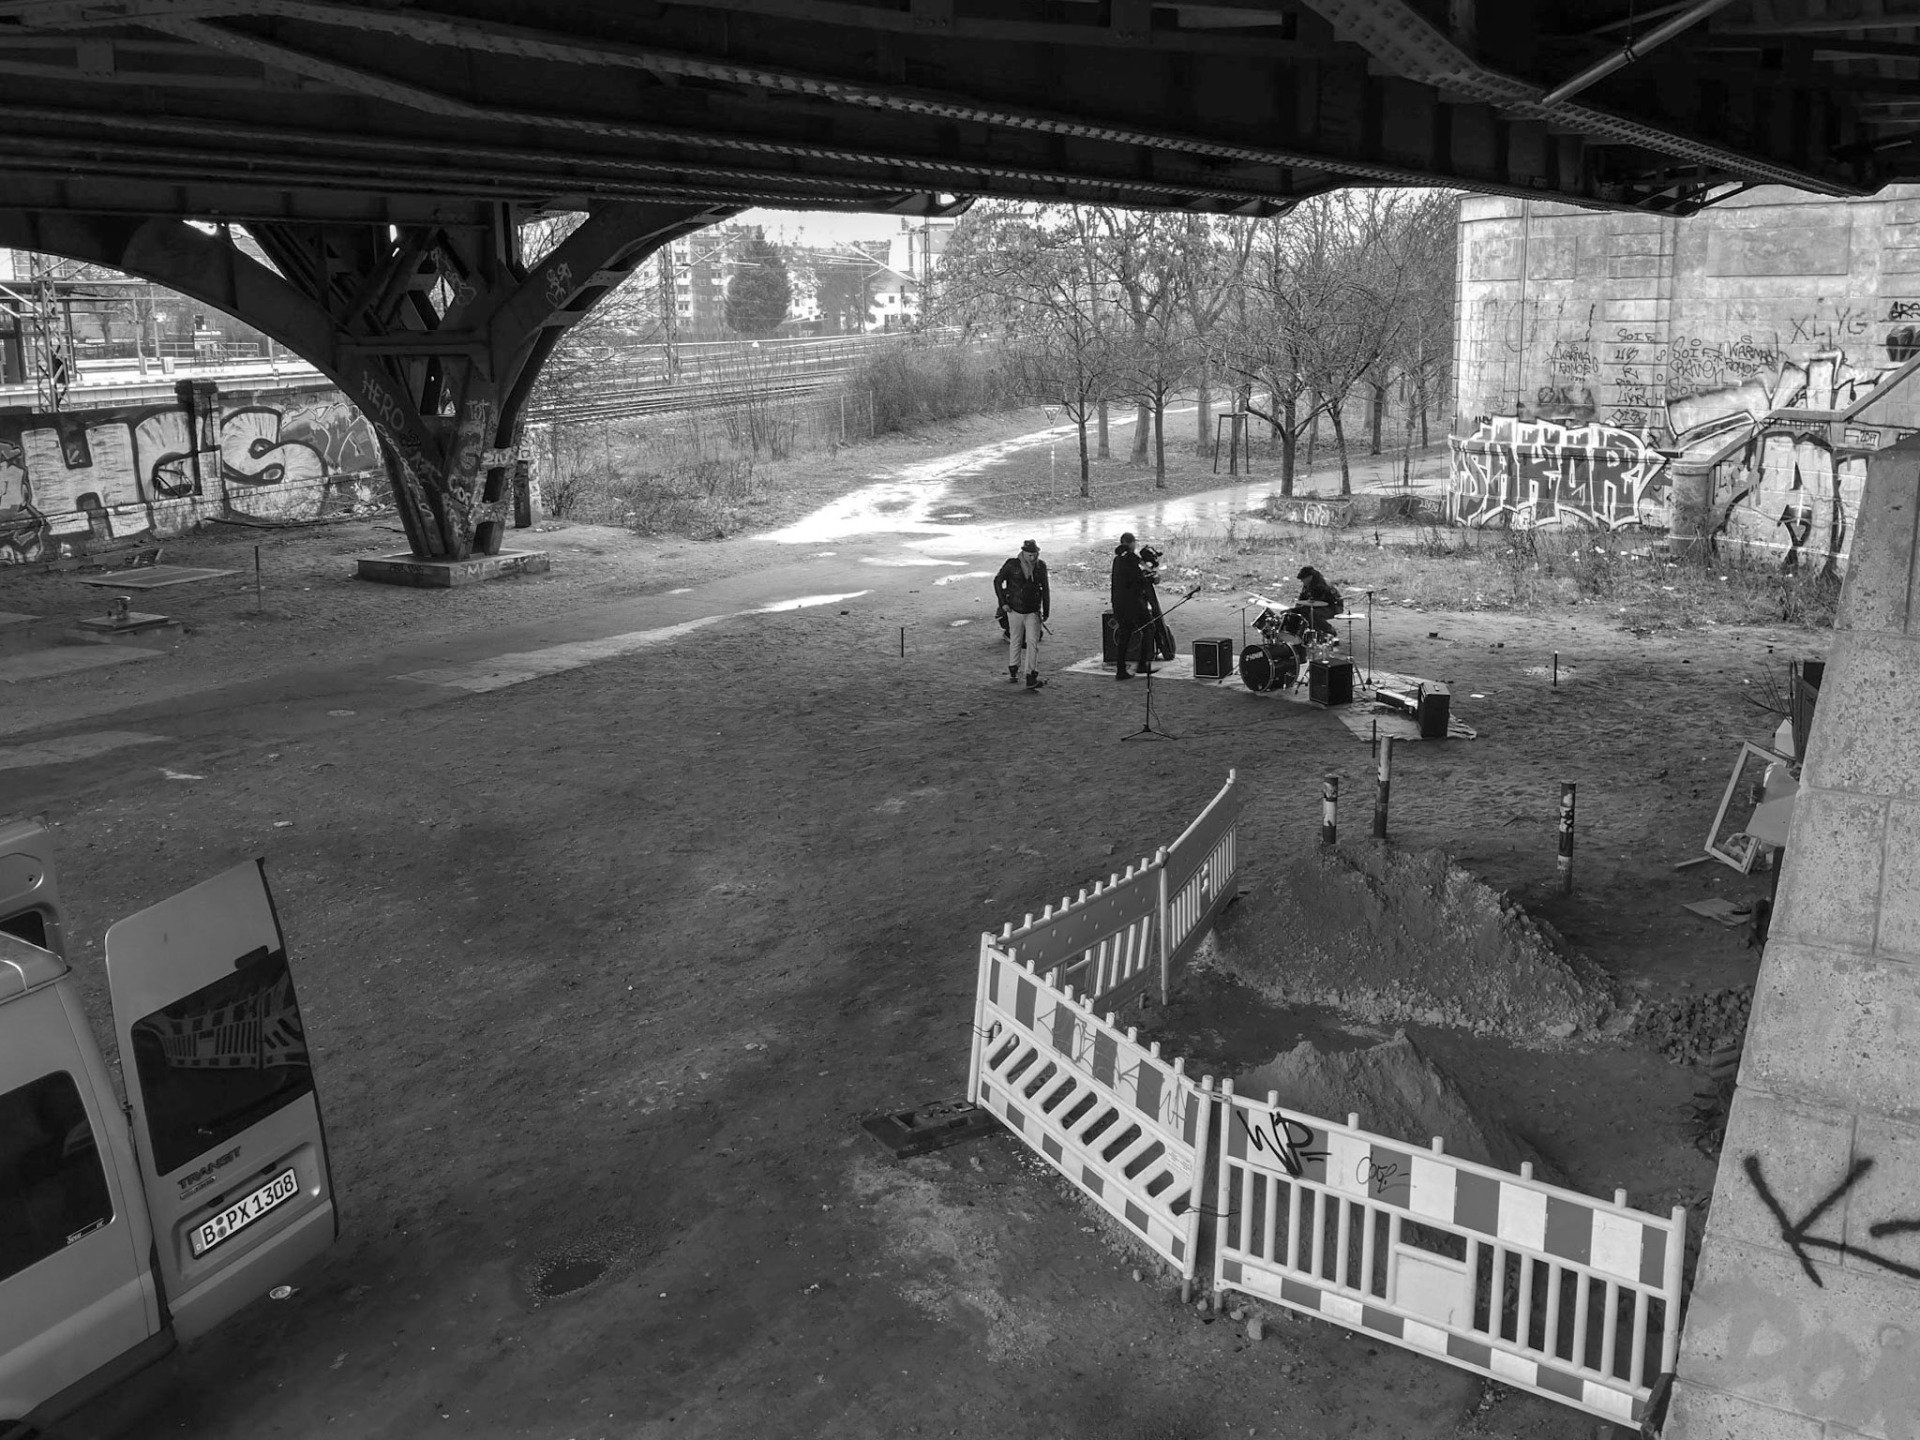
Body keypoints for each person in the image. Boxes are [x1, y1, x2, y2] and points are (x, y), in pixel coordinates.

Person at [994, 539, 1049, 689]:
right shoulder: (1012, 564)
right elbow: (997, 581)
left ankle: (1029, 674)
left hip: (1030, 610)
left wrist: (1046, 610)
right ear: (1023, 553)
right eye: (1030, 555)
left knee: (1030, 642)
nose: (1032, 558)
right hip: (1015, 609)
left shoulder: (1039, 566)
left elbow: (1045, 588)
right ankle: (1014, 669)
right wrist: (1003, 603)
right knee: (1017, 640)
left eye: (1034, 554)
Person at [1109, 532, 1156, 681]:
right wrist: (1150, 575)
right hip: (1132, 603)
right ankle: (1142, 664)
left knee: (1124, 635)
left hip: (1118, 603)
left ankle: (1120, 669)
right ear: (1132, 543)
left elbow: (1139, 564)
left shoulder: (1118, 560)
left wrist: (1146, 568)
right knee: (1149, 628)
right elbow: (1138, 579)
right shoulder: (1129, 560)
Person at [1289, 565, 1343, 640]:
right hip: (1321, 605)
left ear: (1310, 577)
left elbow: (1314, 604)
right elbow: (1302, 599)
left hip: (1333, 607)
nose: (1302, 581)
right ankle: (1314, 634)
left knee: (1312, 613)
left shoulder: (1320, 586)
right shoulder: (1308, 584)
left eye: (1303, 579)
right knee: (1304, 613)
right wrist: (1293, 611)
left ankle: (1329, 630)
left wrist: (1297, 609)